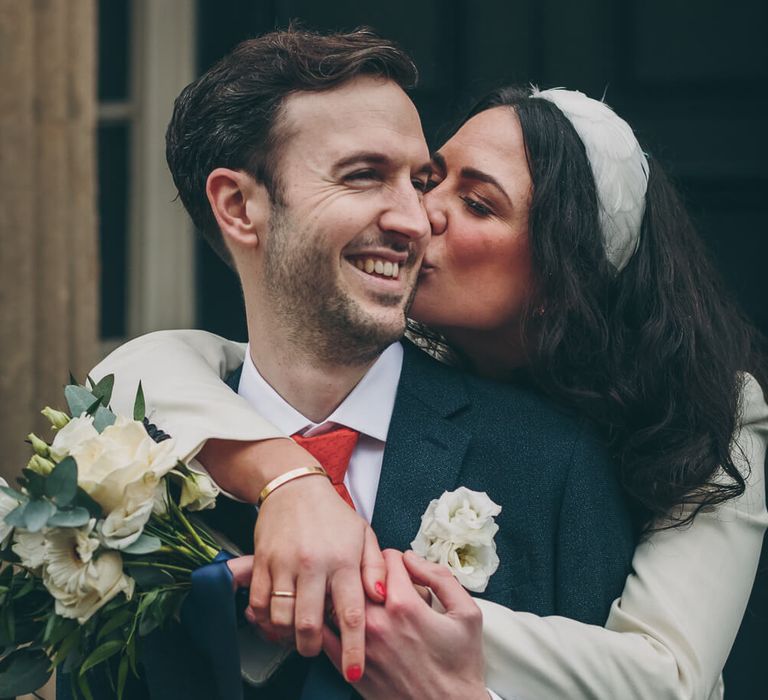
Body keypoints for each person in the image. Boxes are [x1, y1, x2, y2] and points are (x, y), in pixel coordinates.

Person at [95, 72, 768, 699]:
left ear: (559, 283)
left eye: (476, 202)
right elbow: (147, 374)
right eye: (429, 179)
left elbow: (667, 674)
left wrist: (368, 598)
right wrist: (288, 480)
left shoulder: (711, 415)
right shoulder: (392, 338)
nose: (418, 216)